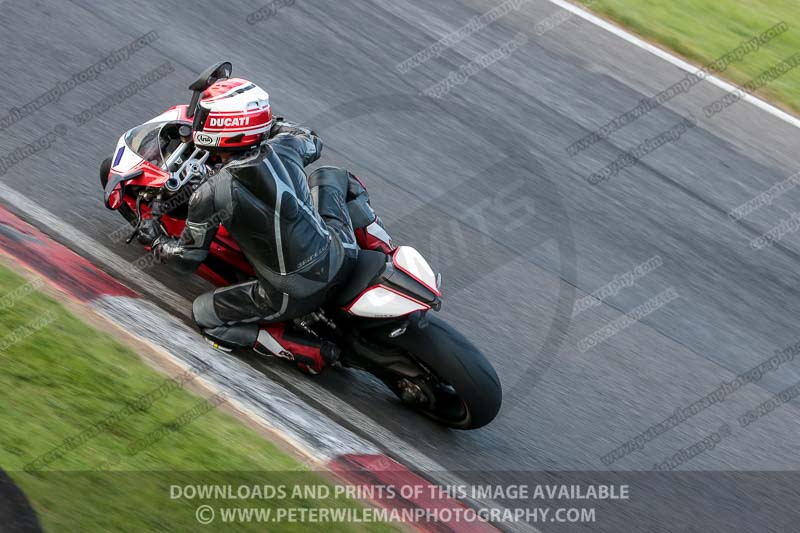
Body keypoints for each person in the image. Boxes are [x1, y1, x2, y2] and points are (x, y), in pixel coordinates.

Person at [142, 77, 393, 373]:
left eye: (205, 116)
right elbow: (312, 139)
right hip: (341, 249)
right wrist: (271, 126)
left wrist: (156, 241)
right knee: (333, 176)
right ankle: (383, 247)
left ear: (222, 128)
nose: (199, 120)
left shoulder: (208, 194)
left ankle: (311, 352)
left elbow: (187, 259)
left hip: (293, 293)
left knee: (206, 316)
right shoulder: (286, 145)